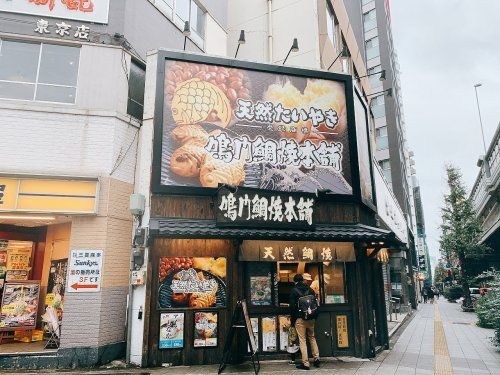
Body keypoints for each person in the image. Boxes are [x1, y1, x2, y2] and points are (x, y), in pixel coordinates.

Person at [289, 273, 320, 371]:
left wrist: (293, 321)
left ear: (295, 281)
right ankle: (316, 359)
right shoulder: (310, 289)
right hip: (311, 318)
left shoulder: (294, 291)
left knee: (302, 340)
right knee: (312, 337)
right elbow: (315, 303)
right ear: (303, 280)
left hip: (300, 319)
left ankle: (306, 363)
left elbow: (293, 308)